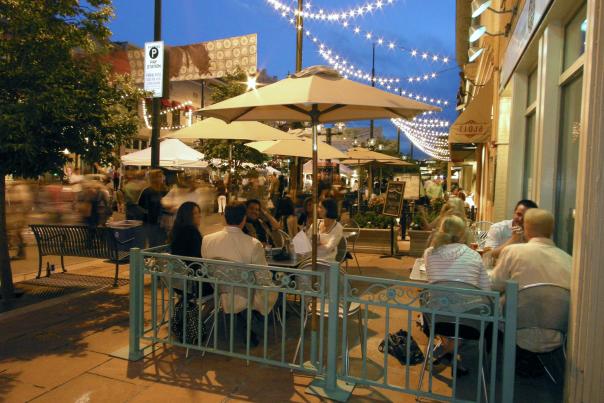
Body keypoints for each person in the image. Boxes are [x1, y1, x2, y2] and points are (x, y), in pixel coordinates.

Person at [490, 209, 571, 375]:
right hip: (557, 332)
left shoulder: (514, 251)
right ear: (551, 230)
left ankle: (492, 365)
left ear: (526, 229)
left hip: (515, 326)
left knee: (490, 305)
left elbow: (494, 285)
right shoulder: (568, 260)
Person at [202, 202, 276, 345]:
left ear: (224, 217)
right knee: (275, 290)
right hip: (246, 293)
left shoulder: (207, 240)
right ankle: (255, 323)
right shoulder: (253, 244)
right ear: (244, 219)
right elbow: (263, 277)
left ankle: (247, 322)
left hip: (220, 289)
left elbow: (208, 267)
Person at [423, 215, 491, 290]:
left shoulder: (429, 253)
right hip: (468, 301)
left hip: (437, 301)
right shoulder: (474, 255)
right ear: (463, 234)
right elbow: (486, 289)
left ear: (441, 232)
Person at [138, 170, 168, 247]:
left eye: (162, 176)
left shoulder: (164, 190)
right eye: (159, 176)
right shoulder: (147, 191)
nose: (162, 178)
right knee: (153, 243)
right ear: (154, 178)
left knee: (162, 243)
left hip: (163, 222)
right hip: (151, 223)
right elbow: (140, 206)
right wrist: (148, 213)